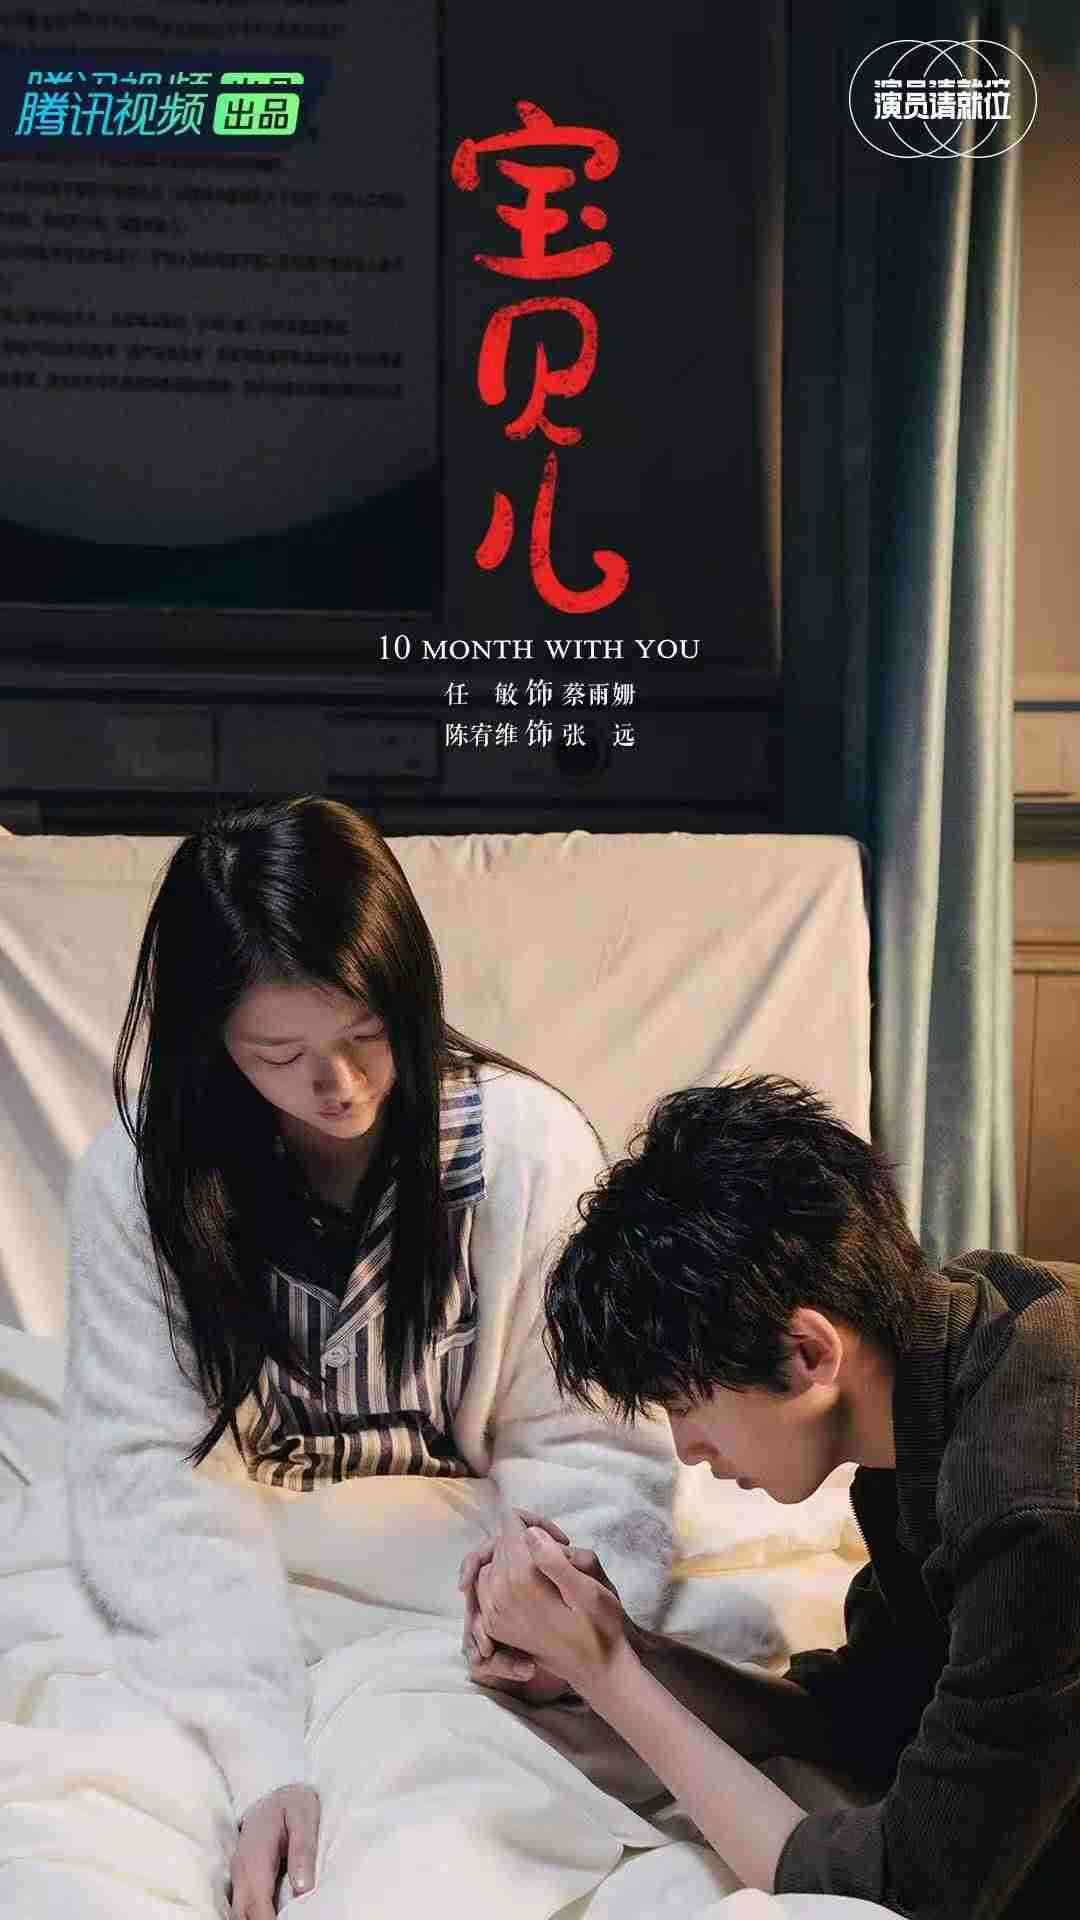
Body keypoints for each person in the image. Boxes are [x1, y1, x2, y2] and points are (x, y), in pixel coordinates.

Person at [64, 796, 675, 1920]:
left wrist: (547, 1622)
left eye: (365, 1034)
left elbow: (590, 1441)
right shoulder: (137, 1181)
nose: (338, 1084)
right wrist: (258, 1746)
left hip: (457, 1593)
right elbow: (147, 1477)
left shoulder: (526, 1150)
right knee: (84, 1810)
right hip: (223, 1587)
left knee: (446, 1845)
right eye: (280, 1054)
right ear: (212, 1043)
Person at [462, 1075, 1080, 1920]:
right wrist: (625, 1646)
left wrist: (610, 1678)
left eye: (687, 1403)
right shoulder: (953, 1355)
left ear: (808, 1352)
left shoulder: (1032, 1508)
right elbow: (867, 1712)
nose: (687, 1448)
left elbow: (903, 1893)